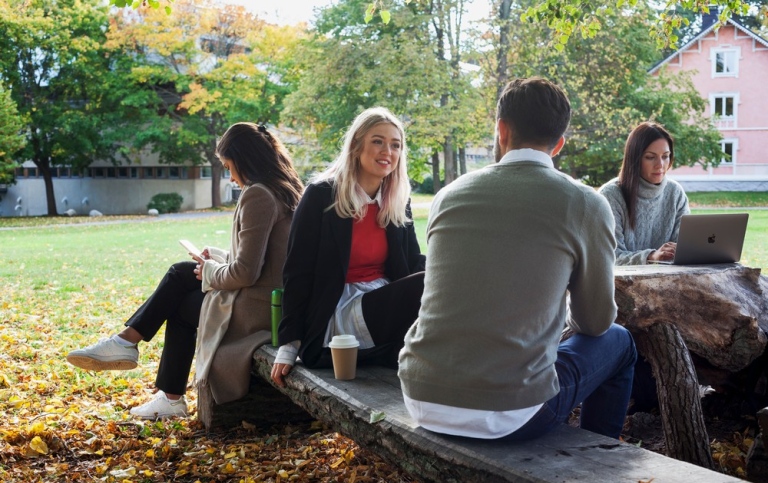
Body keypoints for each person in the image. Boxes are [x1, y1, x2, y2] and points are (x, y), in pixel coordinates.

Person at [397, 77, 637, 441]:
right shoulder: (586, 203)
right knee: (619, 342)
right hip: (507, 414)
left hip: (421, 394)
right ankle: (599, 456)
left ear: (501, 130)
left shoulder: (449, 195)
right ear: (558, 144)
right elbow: (596, 323)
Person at [67, 122, 304, 419]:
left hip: (257, 311)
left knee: (180, 290)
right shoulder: (286, 189)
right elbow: (266, 258)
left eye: (229, 166)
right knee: (182, 275)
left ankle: (136, 356)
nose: (230, 176)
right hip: (272, 303)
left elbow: (246, 273)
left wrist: (209, 270)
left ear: (245, 161)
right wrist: (215, 259)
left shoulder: (259, 195)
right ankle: (133, 354)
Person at [270, 106, 425, 387]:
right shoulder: (321, 195)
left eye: (395, 145)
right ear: (356, 145)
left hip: (383, 303)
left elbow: (413, 262)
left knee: (441, 280)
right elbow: (297, 271)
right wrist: (289, 345)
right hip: (338, 312)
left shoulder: (397, 200)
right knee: (429, 283)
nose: (387, 151)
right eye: (377, 141)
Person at [598, 121, 690, 265]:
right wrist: (651, 256)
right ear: (634, 158)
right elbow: (611, 255)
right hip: (622, 284)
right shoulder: (610, 195)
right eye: (650, 157)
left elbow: (685, 247)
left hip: (669, 279)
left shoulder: (675, 193)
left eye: (665, 156)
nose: (660, 165)